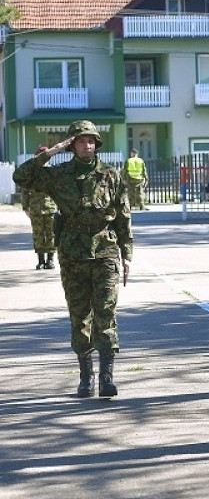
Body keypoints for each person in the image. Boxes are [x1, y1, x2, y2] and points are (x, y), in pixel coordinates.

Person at [13, 120, 132, 398]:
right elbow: (21, 176)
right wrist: (52, 151)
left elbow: (124, 218)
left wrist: (127, 255)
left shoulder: (111, 175)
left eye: (91, 141)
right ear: (71, 145)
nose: (87, 145)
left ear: (97, 144)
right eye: (80, 141)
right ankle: (85, 378)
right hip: (72, 253)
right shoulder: (58, 175)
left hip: (106, 251)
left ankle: (106, 378)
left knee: (106, 311)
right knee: (79, 314)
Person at [21, 146, 58, 270]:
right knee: (38, 235)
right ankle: (41, 260)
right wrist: (25, 207)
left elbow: (59, 190)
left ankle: (51, 260)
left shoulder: (53, 172)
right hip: (35, 208)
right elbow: (25, 190)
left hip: (51, 208)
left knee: (51, 234)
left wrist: (61, 207)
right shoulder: (31, 173)